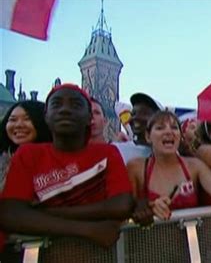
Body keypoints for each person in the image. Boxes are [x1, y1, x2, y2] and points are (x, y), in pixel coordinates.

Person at [0, 84, 134, 250]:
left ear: (88, 118)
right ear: (46, 116)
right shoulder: (28, 154)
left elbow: (121, 206)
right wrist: (87, 229)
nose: (65, 110)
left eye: (76, 105)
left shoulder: (107, 153)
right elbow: (10, 214)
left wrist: (43, 213)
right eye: (57, 104)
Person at [127, 111, 211, 223]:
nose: (169, 132)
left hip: (191, 242)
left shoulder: (195, 166)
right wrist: (147, 207)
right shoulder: (136, 167)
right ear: (148, 136)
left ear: (180, 136)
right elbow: (125, 209)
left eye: (174, 128)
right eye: (160, 128)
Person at [0, 101, 52, 192]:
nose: (19, 125)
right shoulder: (2, 158)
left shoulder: (55, 161)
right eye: (13, 119)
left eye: (27, 119)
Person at [114, 92, 163, 164]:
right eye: (133, 114)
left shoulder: (169, 155)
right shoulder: (115, 150)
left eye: (144, 113)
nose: (135, 118)